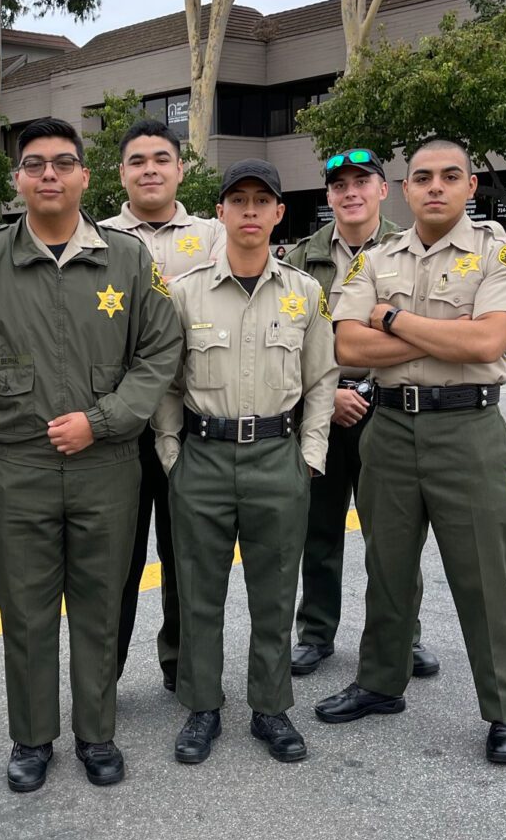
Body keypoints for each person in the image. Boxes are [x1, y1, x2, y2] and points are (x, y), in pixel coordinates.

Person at [0, 118, 181, 792]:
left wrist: (103, 420)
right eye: (35, 164)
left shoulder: (127, 260)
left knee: (101, 605)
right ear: (18, 179)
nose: (49, 174)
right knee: (25, 610)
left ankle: (96, 733)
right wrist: (14, 403)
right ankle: (31, 738)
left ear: (84, 177)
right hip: (17, 466)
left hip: (107, 465)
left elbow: (159, 350)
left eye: (63, 163)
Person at [316, 138, 506, 765]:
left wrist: (392, 321)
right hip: (390, 430)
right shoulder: (377, 258)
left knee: (483, 575)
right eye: (422, 178)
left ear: (471, 186)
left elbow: (489, 340)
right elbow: (345, 348)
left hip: (467, 430)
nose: (435, 186)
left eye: (450, 176)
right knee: (387, 566)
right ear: (405, 190)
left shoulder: (501, 251)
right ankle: (381, 683)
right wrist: (447, 336)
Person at [153, 159, 337, 765]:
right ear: (222, 214)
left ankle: (270, 708)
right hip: (202, 458)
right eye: (239, 201)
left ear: (280, 213)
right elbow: (166, 384)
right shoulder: (184, 293)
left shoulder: (305, 292)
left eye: (263, 200)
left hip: (277, 459)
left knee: (274, 590)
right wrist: (172, 454)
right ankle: (202, 706)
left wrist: (310, 455)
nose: (251, 211)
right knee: (197, 591)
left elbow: (322, 380)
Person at [287, 148, 438, 678]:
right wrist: (325, 400)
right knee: (319, 531)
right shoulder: (300, 258)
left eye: (361, 181)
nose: (350, 192)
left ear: (383, 189)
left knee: (393, 537)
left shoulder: (412, 250)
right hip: (321, 415)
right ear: (328, 196)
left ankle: (402, 636)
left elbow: (423, 331)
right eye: (339, 185)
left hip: (389, 411)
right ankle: (316, 633)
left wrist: (366, 388)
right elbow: (290, 342)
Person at [99, 118, 226, 691]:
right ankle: (104, 672)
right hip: (118, 424)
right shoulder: (94, 236)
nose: (149, 168)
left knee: (187, 559)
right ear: (121, 173)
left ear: (180, 169)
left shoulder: (214, 235)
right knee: (114, 564)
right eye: (137, 160)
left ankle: (185, 668)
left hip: (192, 424)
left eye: (161, 159)